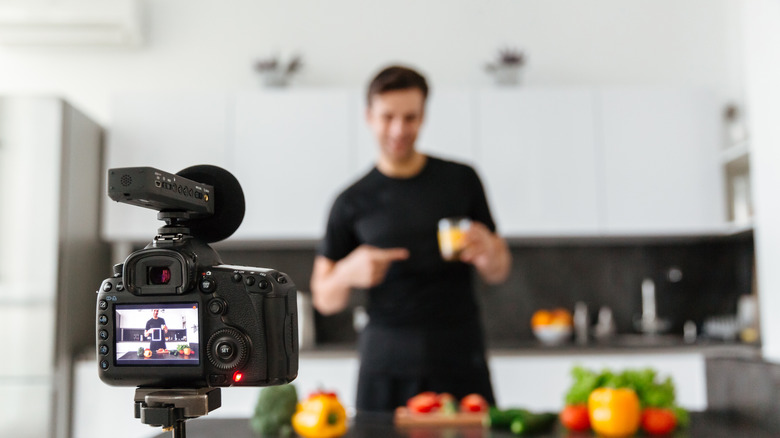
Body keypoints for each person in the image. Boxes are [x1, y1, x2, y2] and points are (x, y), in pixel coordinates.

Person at [311, 65, 512, 412]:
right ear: (369, 116)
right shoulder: (350, 201)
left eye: (411, 117)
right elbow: (324, 298)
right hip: (385, 365)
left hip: (460, 358)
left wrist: (489, 252)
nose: (399, 129)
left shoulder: (462, 180)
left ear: (423, 116)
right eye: (388, 117)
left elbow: (500, 271)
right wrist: (347, 272)